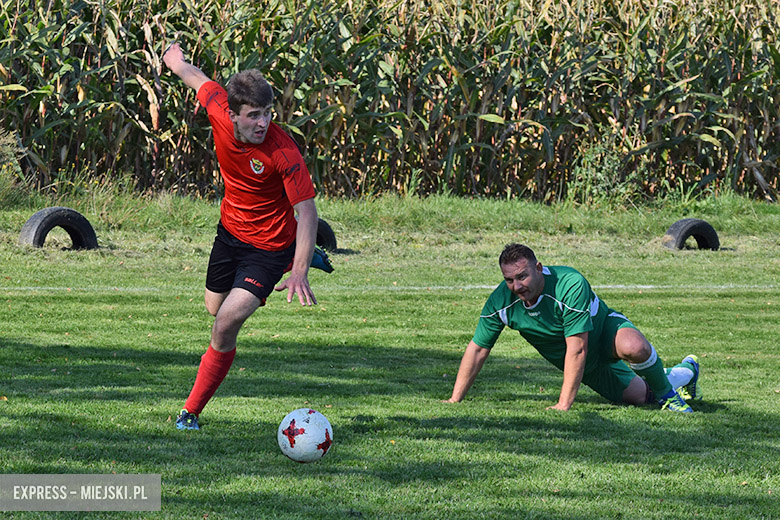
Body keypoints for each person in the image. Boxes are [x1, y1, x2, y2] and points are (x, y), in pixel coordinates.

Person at [162, 43, 332, 430]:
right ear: (233, 115)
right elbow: (196, 79)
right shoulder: (218, 108)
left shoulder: (284, 152)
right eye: (253, 115)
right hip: (229, 234)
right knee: (212, 306)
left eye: (268, 113)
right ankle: (298, 258)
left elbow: (307, 212)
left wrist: (299, 272)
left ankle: (190, 413)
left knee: (223, 324)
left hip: (269, 247)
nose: (263, 123)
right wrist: (175, 60)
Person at [446, 243, 701, 412]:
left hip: (602, 334)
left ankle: (669, 396)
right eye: (509, 280)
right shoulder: (502, 301)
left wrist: (563, 405)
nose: (517, 286)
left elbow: (577, 347)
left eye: (522, 276)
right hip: (584, 365)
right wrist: (455, 399)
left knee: (635, 348)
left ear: (538, 268)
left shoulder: (570, 283)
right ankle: (687, 371)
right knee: (642, 398)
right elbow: (478, 349)